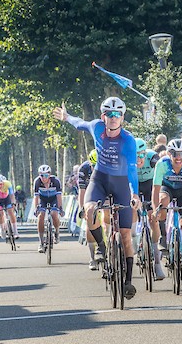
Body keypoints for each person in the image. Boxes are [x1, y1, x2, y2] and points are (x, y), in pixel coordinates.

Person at [53, 96, 140, 300]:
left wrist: (134, 193)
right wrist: (66, 117)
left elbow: (132, 169)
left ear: (122, 117)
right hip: (99, 179)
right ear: (103, 116)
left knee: (126, 235)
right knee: (90, 210)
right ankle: (102, 248)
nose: (113, 117)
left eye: (117, 114)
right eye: (109, 114)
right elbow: (79, 123)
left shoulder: (128, 140)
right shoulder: (96, 127)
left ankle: (127, 281)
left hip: (120, 183)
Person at [152, 138, 182, 285]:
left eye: (181, 153)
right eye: (174, 153)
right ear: (168, 153)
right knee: (163, 202)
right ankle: (163, 236)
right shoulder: (162, 164)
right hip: (167, 189)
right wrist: (156, 210)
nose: (178, 157)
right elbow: (156, 189)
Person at [135, 138, 164, 280]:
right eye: (135, 156)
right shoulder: (127, 159)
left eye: (141, 155)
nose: (139, 159)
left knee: (153, 219)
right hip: (134, 186)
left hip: (150, 186)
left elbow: (161, 176)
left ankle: (156, 255)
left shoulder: (152, 157)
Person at [33, 164, 63, 251]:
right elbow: (36, 196)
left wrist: (60, 208)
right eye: (41, 175)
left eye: (46, 175)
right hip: (43, 199)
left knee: (54, 214)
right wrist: (36, 208)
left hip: (54, 199)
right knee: (41, 216)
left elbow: (59, 196)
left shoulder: (56, 181)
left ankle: (57, 231)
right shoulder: (37, 182)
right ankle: (41, 242)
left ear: (49, 175)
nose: (44, 177)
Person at [78, 149, 98, 270]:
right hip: (89, 193)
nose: (96, 169)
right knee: (90, 223)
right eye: (93, 166)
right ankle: (92, 257)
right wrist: (83, 208)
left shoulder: (108, 166)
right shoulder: (83, 169)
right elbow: (82, 191)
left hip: (104, 191)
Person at [0, 174, 19, 239]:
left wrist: (13, 203)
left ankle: (15, 231)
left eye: (1, 184)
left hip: (7, 198)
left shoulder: (7, 183)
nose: (0, 186)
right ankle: (1, 229)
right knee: (0, 214)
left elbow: (12, 195)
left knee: (11, 212)